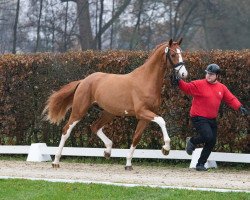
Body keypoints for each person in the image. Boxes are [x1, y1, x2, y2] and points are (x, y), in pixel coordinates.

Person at [173, 63, 249, 171]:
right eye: (207, 73)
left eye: (211, 74)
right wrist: (179, 82)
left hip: (211, 119)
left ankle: (200, 164)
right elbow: (187, 88)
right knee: (208, 136)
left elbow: (231, 98)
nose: (208, 76)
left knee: (211, 141)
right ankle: (192, 141)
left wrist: (239, 107)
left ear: (217, 76)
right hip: (198, 116)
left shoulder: (221, 88)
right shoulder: (199, 84)